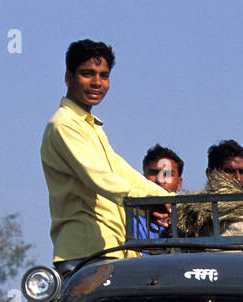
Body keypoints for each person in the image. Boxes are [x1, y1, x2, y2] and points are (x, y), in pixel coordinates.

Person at [40, 39, 171, 274]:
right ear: (68, 78)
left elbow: (125, 174)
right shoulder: (64, 125)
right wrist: (147, 201)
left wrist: (177, 202)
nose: (97, 83)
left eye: (103, 75)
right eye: (88, 74)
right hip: (84, 253)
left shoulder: (91, 127)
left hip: (111, 250)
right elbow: (100, 178)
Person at [132, 145, 184, 239]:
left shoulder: (191, 221)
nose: (160, 180)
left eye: (167, 174)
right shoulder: (128, 217)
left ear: (179, 183)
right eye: (154, 173)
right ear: (142, 179)